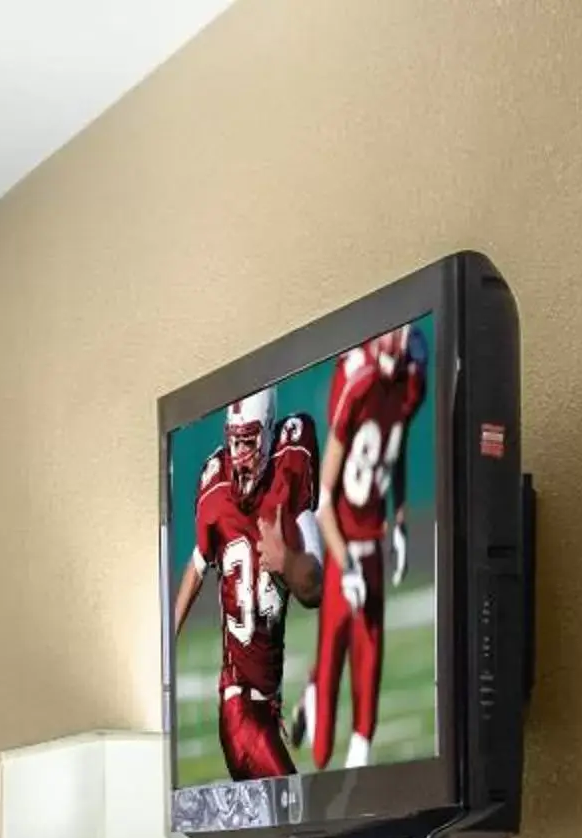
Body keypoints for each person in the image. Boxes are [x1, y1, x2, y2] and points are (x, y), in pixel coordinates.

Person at [168, 389, 321, 780]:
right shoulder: (215, 491)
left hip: (266, 709)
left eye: (249, 441)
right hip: (240, 709)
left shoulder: (290, 469)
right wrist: (164, 645)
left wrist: (284, 561)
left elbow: (314, 590)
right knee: (294, 815)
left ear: (269, 434)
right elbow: (198, 564)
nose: (239, 454)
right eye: (233, 441)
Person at [302, 322, 428, 769]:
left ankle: (357, 758)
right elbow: (322, 501)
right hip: (343, 539)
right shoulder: (357, 380)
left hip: (372, 537)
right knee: (334, 653)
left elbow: (395, 451)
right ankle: (313, 699)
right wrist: (346, 564)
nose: (400, 343)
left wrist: (399, 520)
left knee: (370, 655)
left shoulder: (413, 377)